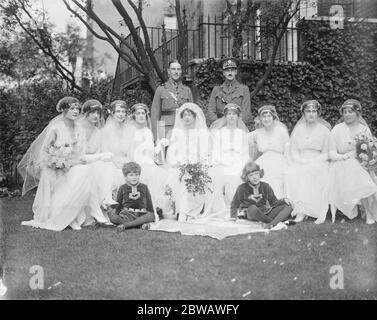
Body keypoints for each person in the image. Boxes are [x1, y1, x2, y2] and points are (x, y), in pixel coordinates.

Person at [18, 97, 109, 231]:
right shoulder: (55, 128)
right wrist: (54, 162)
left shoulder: (80, 129)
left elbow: (80, 154)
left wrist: (70, 162)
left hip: (72, 165)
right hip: (54, 168)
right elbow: (44, 151)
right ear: (64, 111)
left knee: (86, 172)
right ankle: (71, 216)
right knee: (82, 173)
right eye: (72, 109)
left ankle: (75, 216)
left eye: (77, 109)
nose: (75, 111)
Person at [329, 99, 377, 224]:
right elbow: (331, 152)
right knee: (356, 171)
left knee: (362, 173)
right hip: (340, 163)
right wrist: (344, 157)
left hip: (360, 163)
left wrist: (363, 158)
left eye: (350, 112)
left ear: (357, 113)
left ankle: (369, 213)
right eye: (344, 112)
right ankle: (366, 213)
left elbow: (370, 150)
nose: (347, 115)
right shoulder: (337, 129)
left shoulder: (364, 129)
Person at [164, 102, 214, 220]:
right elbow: (172, 152)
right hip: (180, 165)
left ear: (194, 117)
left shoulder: (202, 133)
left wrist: (197, 164)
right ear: (181, 117)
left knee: (198, 178)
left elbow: (206, 153)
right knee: (175, 176)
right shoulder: (176, 133)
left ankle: (188, 211)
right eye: (184, 115)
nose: (187, 118)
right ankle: (179, 210)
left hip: (198, 164)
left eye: (189, 115)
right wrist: (178, 163)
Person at [284, 100, 331, 224]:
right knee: (292, 173)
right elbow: (293, 149)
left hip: (318, 160)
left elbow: (326, 152)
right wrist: (300, 160)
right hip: (301, 159)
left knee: (312, 173)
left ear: (318, 113)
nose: (311, 114)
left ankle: (318, 211)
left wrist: (313, 161)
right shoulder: (299, 129)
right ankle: (300, 211)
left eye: (314, 111)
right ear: (303, 114)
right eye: (308, 111)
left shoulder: (324, 130)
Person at [124, 103, 168, 212]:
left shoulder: (148, 132)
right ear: (134, 116)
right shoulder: (131, 131)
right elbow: (129, 151)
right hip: (137, 163)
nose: (141, 116)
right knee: (148, 174)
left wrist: (160, 145)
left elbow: (152, 153)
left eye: (143, 113)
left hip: (150, 163)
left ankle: (155, 207)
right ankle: (144, 207)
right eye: (138, 113)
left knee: (164, 175)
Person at [210, 103, 250, 209]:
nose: (231, 116)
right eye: (229, 114)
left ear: (238, 117)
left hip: (238, 163)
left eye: (234, 114)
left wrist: (241, 165)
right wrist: (223, 162)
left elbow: (245, 153)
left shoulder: (242, 134)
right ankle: (220, 207)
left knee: (237, 176)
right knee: (217, 177)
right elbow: (216, 152)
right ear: (225, 116)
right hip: (222, 162)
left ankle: (235, 205)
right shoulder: (220, 133)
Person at [230, 161, 293, 229]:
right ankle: (276, 222)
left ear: (260, 173)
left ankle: (271, 224)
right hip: (250, 213)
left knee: (289, 206)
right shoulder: (242, 188)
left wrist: (283, 200)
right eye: (251, 175)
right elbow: (234, 204)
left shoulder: (266, 186)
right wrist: (233, 216)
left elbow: (274, 203)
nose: (254, 177)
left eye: (256, 174)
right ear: (247, 177)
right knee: (252, 208)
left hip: (265, 212)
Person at [248, 105, 290, 199]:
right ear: (260, 119)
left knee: (277, 180)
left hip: (279, 160)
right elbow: (242, 139)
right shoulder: (257, 133)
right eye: (264, 116)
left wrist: (288, 163)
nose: (266, 119)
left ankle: (278, 203)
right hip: (263, 160)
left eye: (269, 116)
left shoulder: (281, 130)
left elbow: (287, 148)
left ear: (273, 117)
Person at [151, 60, 193, 144]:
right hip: (166, 129)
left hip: (183, 128)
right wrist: (156, 137)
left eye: (178, 69)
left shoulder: (187, 90)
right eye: (173, 69)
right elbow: (155, 114)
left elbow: (192, 113)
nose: (176, 72)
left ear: (181, 71)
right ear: (168, 71)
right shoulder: (161, 89)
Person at [108, 162, 155, 232]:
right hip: (127, 214)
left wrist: (151, 212)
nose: (134, 177)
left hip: (141, 214)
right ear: (125, 177)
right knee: (113, 217)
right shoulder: (122, 188)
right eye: (131, 175)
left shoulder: (144, 187)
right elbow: (119, 203)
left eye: (136, 175)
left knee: (151, 216)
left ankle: (125, 225)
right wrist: (115, 213)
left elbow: (149, 202)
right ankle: (139, 225)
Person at [207, 57, 252, 127]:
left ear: (236, 72)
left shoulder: (244, 89)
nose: (230, 73)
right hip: (220, 128)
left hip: (238, 128)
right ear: (223, 73)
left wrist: (235, 126)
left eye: (232, 70)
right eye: (227, 70)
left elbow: (246, 113)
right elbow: (210, 112)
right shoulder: (216, 90)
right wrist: (219, 125)